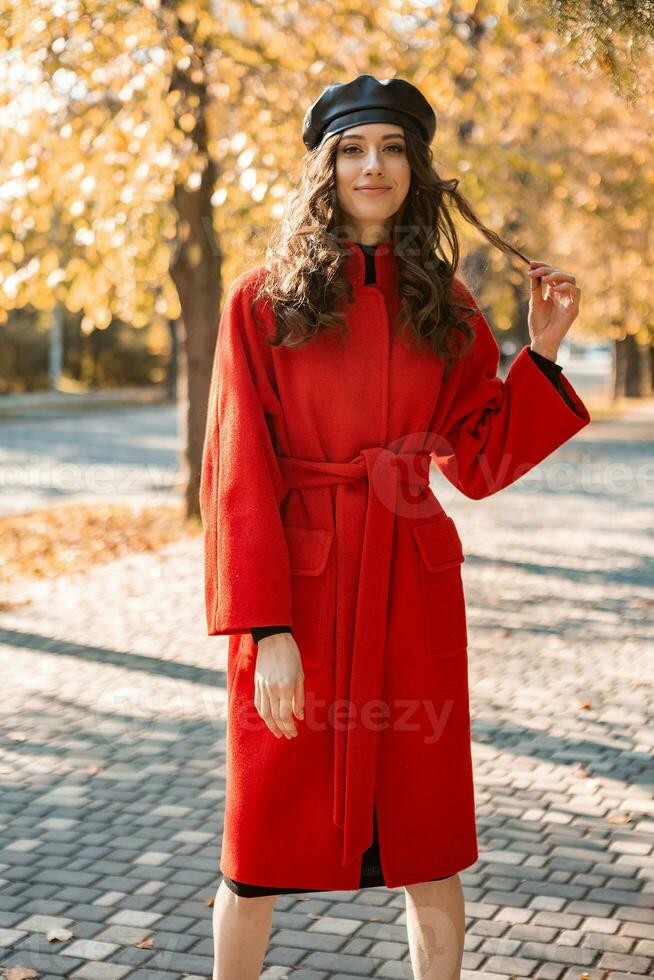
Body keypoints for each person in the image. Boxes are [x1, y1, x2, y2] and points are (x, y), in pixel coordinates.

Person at [200, 74, 591, 980]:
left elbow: (478, 463)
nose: (371, 167)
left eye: (391, 149)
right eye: (351, 149)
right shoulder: (262, 302)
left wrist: (541, 353)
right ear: (324, 167)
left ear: (416, 169)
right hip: (299, 595)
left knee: (428, 843)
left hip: (411, 593)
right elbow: (237, 476)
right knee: (258, 852)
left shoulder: (443, 303)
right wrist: (267, 630)